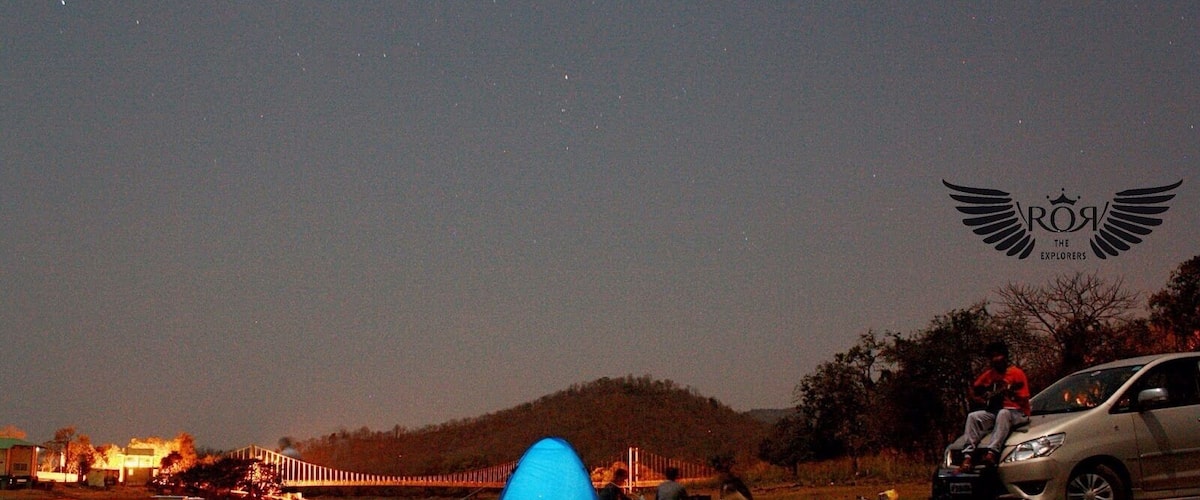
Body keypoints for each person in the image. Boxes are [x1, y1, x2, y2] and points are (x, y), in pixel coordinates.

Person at [956, 341, 1031, 472]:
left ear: (1005, 357)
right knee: (973, 417)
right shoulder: (989, 375)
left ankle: (992, 453)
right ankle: (967, 457)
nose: (995, 359)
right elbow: (973, 389)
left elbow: (1024, 397)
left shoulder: (1016, 373)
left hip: (1018, 412)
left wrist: (1011, 393)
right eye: (992, 356)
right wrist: (981, 399)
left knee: (1004, 413)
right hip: (996, 412)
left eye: (998, 356)